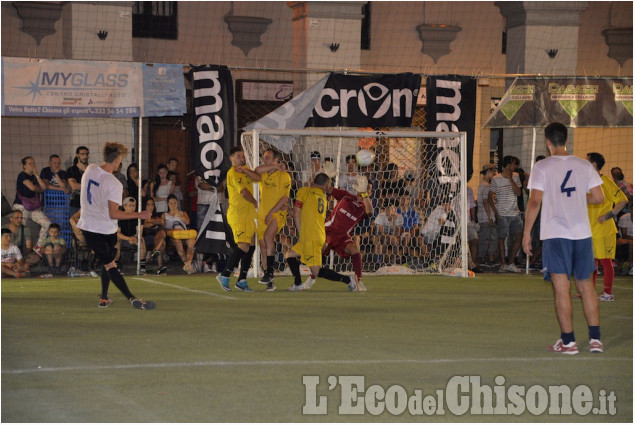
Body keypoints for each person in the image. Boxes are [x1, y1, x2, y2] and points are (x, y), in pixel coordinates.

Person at [522, 122, 605, 354]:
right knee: (587, 286)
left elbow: (535, 201)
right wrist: (578, 199)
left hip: (556, 233)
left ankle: (568, 342)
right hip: (582, 234)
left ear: (547, 142)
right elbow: (599, 198)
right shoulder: (584, 164)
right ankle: (595, 340)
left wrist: (527, 233)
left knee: (561, 288)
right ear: (566, 140)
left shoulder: (542, 166)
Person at [77, 142, 155, 310]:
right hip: (101, 229)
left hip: (93, 228)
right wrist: (139, 214)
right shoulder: (114, 183)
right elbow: (114, 213)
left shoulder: (90, 169)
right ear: (118, 160)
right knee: (111, 264)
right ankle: (132, 298)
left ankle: (104, 298)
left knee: (108, 261)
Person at [285, 173, 360, 291]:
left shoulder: (303, 191)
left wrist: (301, 233)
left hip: (311, 237)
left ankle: (348, 280)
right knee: (289, 255)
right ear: (325, 185)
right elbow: (304, 214)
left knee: (316, 271)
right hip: (316, 235)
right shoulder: (323, 198)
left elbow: (296, 213)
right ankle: (298, 284)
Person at [304, 178, 373, 290]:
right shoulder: (346, 196)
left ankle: (358, 280)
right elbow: (329, 190)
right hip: (328, 230)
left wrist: (364, 194)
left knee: (354, 249)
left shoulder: (363, 209)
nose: (364, 190)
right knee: (321, 248)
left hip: (342, 236)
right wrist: (329, 178)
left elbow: (370, 212)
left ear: (370, 193)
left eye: (368, 189)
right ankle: (312, 277)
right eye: (363, 187)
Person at [216, 146, 261, 292]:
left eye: (242, 155)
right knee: (243, 246)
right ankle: (225, 275)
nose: (241, 158)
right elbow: (243, 192)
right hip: (238, 214)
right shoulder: (233, 173)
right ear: (231, 158)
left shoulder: (244, 170)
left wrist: (247, 170)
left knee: (252, 245)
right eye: (238, 156)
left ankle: (241, 280)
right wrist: (254, 201)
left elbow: (258, 178)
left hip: (248, 215)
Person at [586, 152, 628, 302]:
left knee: (605, 261)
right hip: (590, 229)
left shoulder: (606, 182)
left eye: (587, 162)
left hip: (604, 230)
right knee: (591, 262)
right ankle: (589, 292)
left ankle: (608, 293)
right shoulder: (588, 182)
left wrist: (607, 215)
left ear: (594, 165)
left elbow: (623, 201)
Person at [254, 148, 291, 291]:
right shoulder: (264, 173)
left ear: (276, 159)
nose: (265, 160)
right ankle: (269, 281)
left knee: (269, 237)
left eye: (268, 158)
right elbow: (257, 169)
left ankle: (270, 273)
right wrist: (274, 166)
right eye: (264, 158)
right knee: (263, 246)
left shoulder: (284, 176)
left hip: (277, 213)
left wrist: (271, 212)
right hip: (262, 213)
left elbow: (285, 198)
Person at [488, 155, 523, 273]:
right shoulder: (496, 179)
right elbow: (489, 197)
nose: (516, 167)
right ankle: (503, 263)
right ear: (508, 165)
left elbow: (518, 193)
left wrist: (510, 179)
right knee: (501, 238)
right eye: (514, 164)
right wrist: (496, 213)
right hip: (502, 213)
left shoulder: (516, 176)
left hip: (515, 212)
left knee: (519, 237)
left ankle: (511, 262)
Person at [13, 156, 50, 254]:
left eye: (33, 163)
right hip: (21, 206)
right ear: (24, 166)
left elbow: (43, 188)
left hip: (33, 207)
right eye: (30, 163)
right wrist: (40, 188)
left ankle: (38, 246)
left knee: (47, 223)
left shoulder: (35, 176)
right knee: (21, 226)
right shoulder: (22, 175)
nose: (32, 165)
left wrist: (37, 175)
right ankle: (16, 250)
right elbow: (33, 188)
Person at [163, 194, 196, 274]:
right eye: (171, 203)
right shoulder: (165, 215)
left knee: (192, 242)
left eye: (175, 203)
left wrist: (178, 214)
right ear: (168, 204)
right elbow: (163, 228)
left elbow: (187, 222)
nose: (173, 205)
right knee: (178, 243)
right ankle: (186, 264)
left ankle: (187, 265)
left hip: (184, 233)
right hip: (173, 236)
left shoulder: (182, 213)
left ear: (177, 203)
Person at [116, 197, 149, 274]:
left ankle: (142, 268)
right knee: (117, 240)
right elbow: (117, 233)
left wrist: (135, 237)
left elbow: (139, 231)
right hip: (124, 239)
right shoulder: (119, 217)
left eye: (134, 206)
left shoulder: (138, 217)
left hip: (133, 238)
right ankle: (116, 266)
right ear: (124, 206)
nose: (132, 208)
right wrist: (128, 238)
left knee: (142, 240)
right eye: (130, 206)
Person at [476, 164, 498, 267]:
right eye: (493, 171)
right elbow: (485, 201)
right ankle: (483, 259)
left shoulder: (485, 184)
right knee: (486, 238)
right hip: (486, 217)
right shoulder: (485, 185)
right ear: (488, 171)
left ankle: (488, 258)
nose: (494, 173)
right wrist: (490, 217)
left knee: (489, 238)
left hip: (486, 216)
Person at [142, 197, 167, 275]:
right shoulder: (141, 215)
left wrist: (151, 221)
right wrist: (154, 222)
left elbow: (162, 222)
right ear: (144, 206)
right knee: (162, 243)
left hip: (157, 238)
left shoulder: (156, 216)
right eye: (148, 205)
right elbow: (145, 225)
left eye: (152, 204)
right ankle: (160, 266)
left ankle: (155, 250)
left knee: (162, 233)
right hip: (146, 238)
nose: (150, 206)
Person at [67, 146, 90, 216]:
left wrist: (79, 185)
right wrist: (89, 186)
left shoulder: (92, 169)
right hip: (76, 204)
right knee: (75, 225)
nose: (85, 156)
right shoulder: (71, 170)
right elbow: (74, 186)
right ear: (77, 155)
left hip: (89, 204)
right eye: (82, 154)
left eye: (86, 154)